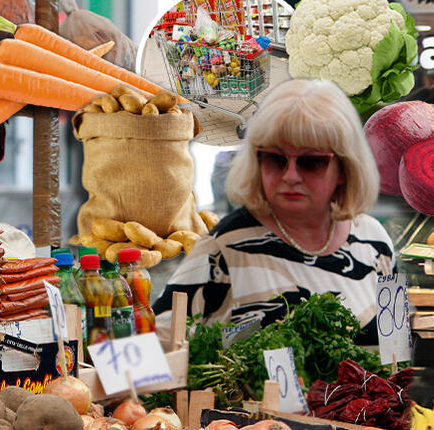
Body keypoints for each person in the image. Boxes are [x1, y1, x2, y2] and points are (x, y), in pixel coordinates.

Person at [153, 78, 395, 342]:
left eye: (312, 162)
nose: (291, 176)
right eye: (274, 158)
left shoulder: (375, 241)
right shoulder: (224, 249)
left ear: (345, 170)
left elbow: (398, 346)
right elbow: (153, 351)